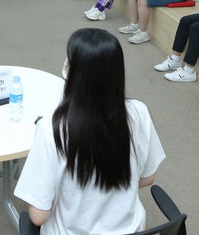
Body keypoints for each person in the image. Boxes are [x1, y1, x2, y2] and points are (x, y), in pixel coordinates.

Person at [14, 28, 165, 234]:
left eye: (68, 61)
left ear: (75, 74)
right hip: (131, 230)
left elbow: (39, 216)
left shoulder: (52, 129)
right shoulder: (138, 112)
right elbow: (147, 178)